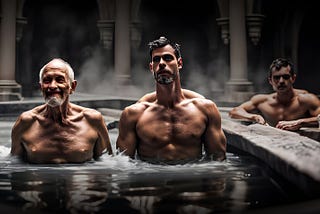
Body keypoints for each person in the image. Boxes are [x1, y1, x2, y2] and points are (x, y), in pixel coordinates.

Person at [116, 36, 226, 164]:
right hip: (150, 179)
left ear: (179, 63)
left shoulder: (205, 109)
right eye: (156, 60)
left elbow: (218, 161)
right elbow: (122, 165)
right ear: (152, 68)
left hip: (191, 178)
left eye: (168, 58)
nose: (162, 63)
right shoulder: (133, 114)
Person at [11, 58, 113, 163]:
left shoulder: (92, 120)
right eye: (47, 80)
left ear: (72, 87)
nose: (52, 86)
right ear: (41, 87)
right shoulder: (26, 122)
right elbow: (13, 165)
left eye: (60, 80)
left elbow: (109, 164)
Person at [229, 58, 320, 131]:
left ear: (293, 78)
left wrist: (301, 122)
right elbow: (234, 112)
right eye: (276, 77)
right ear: (270, 80)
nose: (281, 81)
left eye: (285, 77)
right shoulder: (262, 101)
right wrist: (254, 117)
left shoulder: (306, 99)